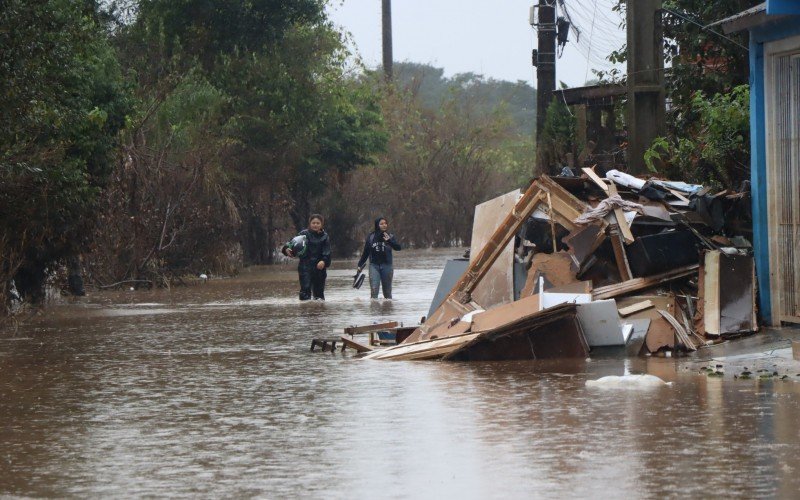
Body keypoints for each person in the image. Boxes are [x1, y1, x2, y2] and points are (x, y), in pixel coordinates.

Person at [282, 214, 331, 301]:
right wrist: (286, 249)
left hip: (319, 268)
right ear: (310, 224)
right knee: (305, 290)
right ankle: (304, 311)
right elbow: (291, 243)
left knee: (319, 294)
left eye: (318, 223)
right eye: (313, 223)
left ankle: (319, 312)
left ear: (322, 224)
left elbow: (327, 252)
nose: (315, 225)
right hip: (305, 267)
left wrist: (323, 261)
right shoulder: (303, 234)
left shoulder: (325, 236)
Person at [357, 217, 401, 299]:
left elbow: (398, 248)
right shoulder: (371, 237)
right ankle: (374, 310)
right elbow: (366, 252)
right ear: (377, 225)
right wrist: (360, 265)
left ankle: (387, 309)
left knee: (387, 293)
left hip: (387, 266)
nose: (384, 225)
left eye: (385, 223)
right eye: (381, 224)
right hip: (374, 266)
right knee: (374, 290)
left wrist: (389, 241)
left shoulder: (390, 236)